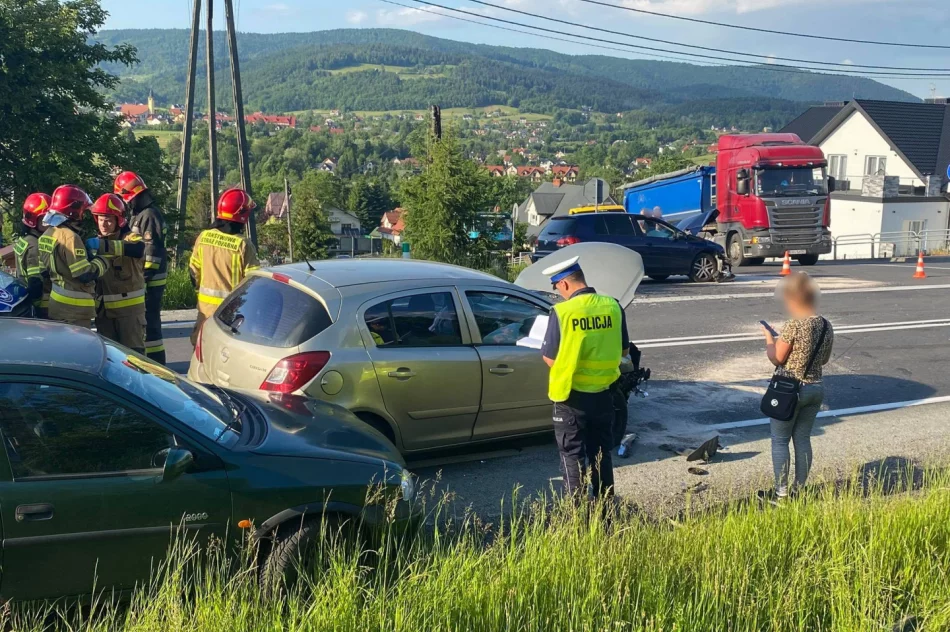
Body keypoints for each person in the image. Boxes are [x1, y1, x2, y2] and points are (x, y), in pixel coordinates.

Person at [541, 256, 630, 499]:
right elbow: (624, 350)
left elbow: (550, 359)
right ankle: (606, 513)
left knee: (572, 457)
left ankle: (577, 517)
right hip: (604, 395)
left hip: (571, 397)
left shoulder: (562, 312)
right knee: (602, 454)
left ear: (565, 284)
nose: (559, 294)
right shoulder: (612, 306)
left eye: (557, 288)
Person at [761, 272, 834, 500]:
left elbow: (777, 358)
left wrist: (769, 338)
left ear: (794, 299)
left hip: (790, 390)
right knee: (802, 439)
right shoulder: (825, 325)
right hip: (816, 387)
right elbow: (823, 359)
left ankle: (780, 495)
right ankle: (798, 491)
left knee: (780, 440)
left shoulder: (794, 324)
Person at [38, 185, 118, 328]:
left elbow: (43, 271)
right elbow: (84, 274)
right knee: (78, 349)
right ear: (74, 211)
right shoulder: (71, 238)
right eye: (82, 211)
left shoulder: (47, 234)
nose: (83, 215)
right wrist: (102, 260)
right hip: (75, 310)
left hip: (56, 305)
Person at [189, 188, 260, 346]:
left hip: (205, 313)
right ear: (243, 215)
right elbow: (254, 283)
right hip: (231, 316)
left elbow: (193, 273)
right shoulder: (243, 245)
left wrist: (201, 296)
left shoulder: (204, 237)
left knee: (201, 359)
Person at [115, 171, 168, 364]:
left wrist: (142, 280)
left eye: (126, 199)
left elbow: (151, 254)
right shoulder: (140, 215)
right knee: (146, 326)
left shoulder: (149, 215)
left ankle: (156, 366)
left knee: (150, 326)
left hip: (149, 281)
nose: (126, 204)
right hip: (145, 279)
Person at [90, 193, 147, 353]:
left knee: (135, 359)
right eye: (101, 219)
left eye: (108, 219)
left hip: (129, 316)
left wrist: (104, 247)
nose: (104, 224)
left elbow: (138, 249)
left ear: (119, 220)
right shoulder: (96, 241)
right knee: (109, 359)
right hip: (104, 316)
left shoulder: (131, 238)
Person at [14, 193, 52, 317]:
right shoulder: (35, 245)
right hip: (40, 305)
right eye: (44, 219)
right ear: (33, 221)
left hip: (24, 298)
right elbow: (35, 280)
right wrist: (37, 306)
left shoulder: (24, 240)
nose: (49, 223)